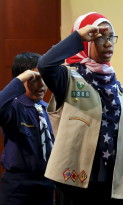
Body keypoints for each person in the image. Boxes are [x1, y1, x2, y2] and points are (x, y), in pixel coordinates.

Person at [37, 12, 123, 205]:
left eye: (111, 37)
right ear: (87, 42)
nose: (108, 43)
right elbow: (45, 65)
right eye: (100, 37)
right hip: (75, 182)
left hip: (110, 179)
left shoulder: (114, 83)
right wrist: (78, 37)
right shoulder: (68, 77)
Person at [0, 52, 55, 205]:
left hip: (46, 185)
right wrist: (19, 80)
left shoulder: (49, 109)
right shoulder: (14, 106)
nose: (42, 85)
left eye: (44, 78)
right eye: (35, 79)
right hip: (18, 187)